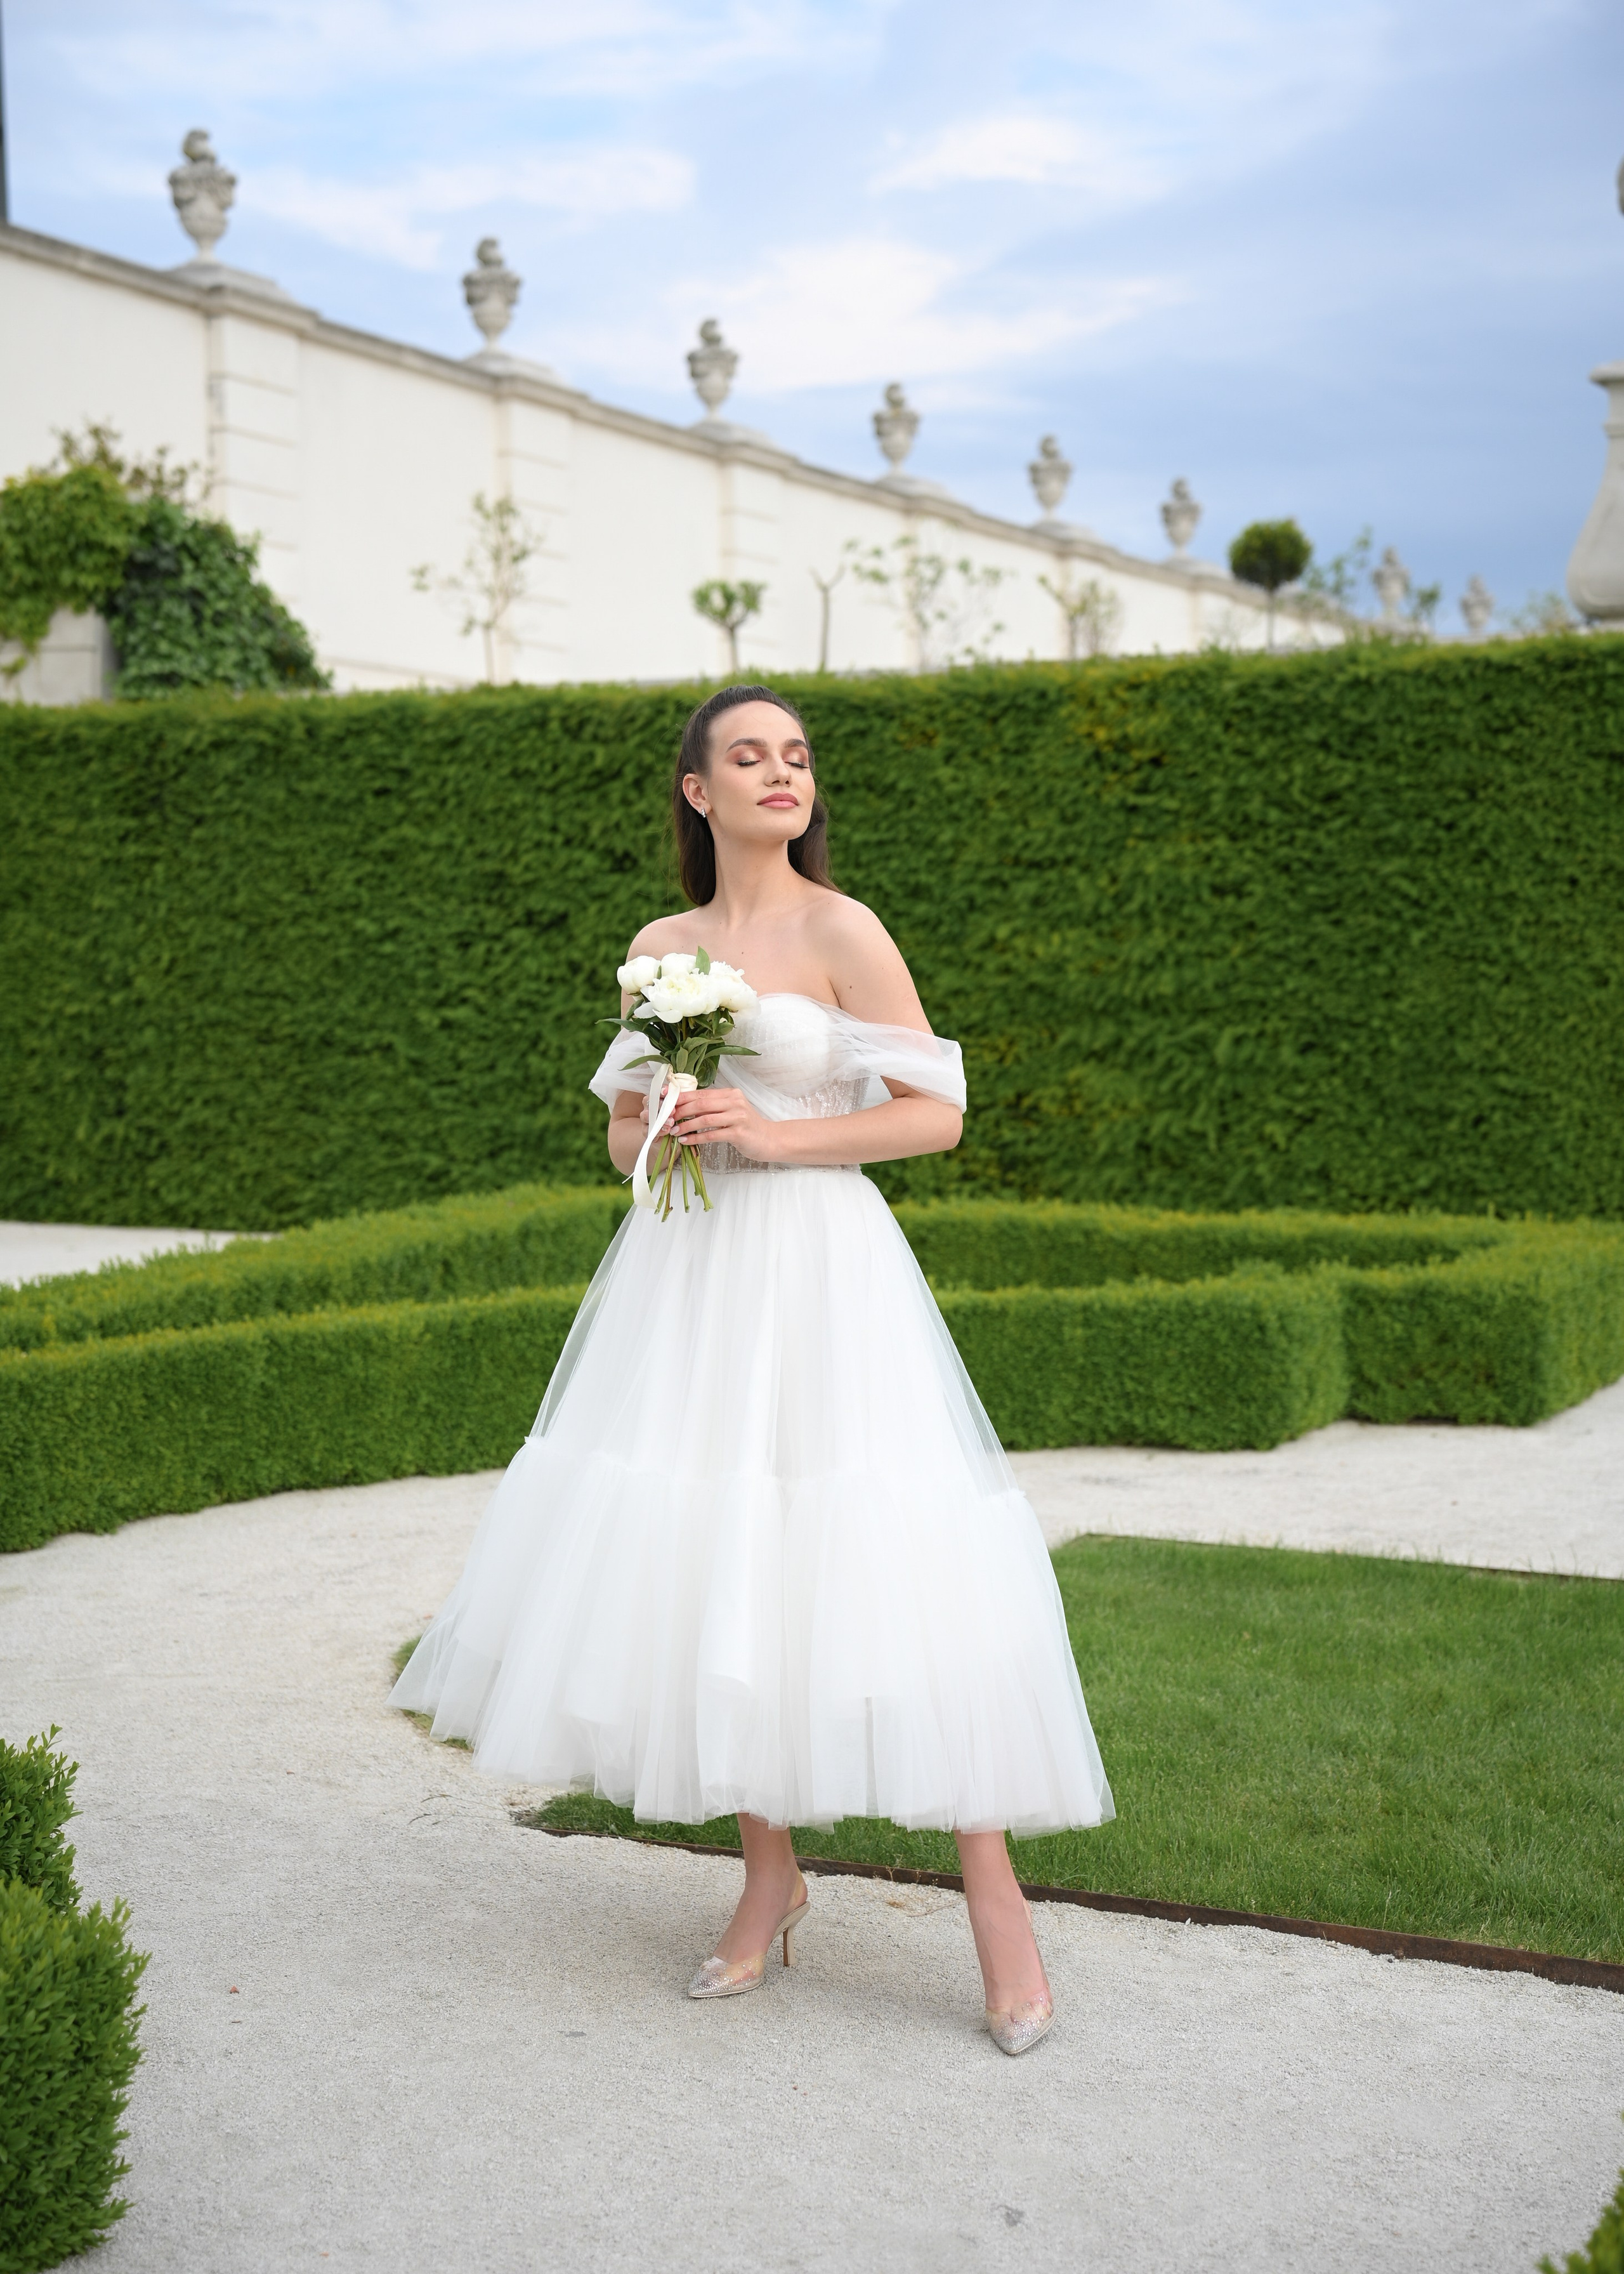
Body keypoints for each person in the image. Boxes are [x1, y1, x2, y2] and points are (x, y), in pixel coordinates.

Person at [392, 683, 1113, 2056]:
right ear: (695, 791)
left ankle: (992, 1893)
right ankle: (768, 1874)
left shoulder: (844, 929)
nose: (780, 773)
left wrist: (772, 1137)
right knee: (716, 1547)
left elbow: (936, 1116)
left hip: (826, 1275)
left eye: (795, 755)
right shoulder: (660, 948)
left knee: (891, 1548)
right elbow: (618, 1136)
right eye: (747, 755)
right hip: (692, 1279)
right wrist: (666, 1128)